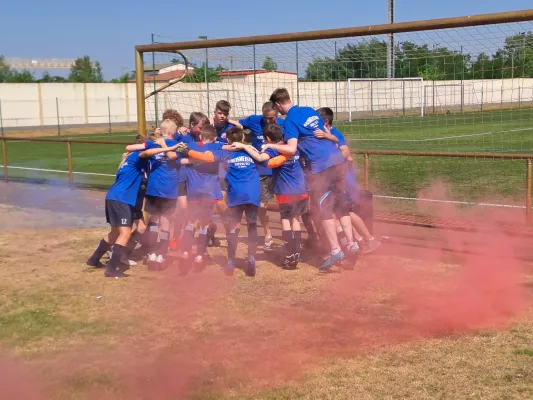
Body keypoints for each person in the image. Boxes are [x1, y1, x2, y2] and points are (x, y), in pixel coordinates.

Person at [266, 88, 359, 270]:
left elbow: (291, 149)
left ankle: (335, 250)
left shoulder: (290, 120)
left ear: (278, 105)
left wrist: (268, 144)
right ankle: (352, 244)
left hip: (321, 166)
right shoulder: (309, 110)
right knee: (340, 206)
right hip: (337, 161)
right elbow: (324, 132)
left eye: (277, 110)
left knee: (324, 209)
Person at [177, 127, 274, 277]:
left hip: (236, 195)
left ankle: (230, 261)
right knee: (251, 224)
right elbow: (266, 161)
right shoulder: (251, 151)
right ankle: (251, 258)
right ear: (242, 139)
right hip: (252, 194)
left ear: (228, 140)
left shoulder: (224, 153)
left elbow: (207, 157)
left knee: (234, 227)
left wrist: (187, 152)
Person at [87, 132, 177, 277]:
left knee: (117, 232)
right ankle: (112, 269)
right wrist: (165, 148)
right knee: (125, 233)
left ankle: (94, 259)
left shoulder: (128, 160)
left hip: (117, 197)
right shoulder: (137, 156)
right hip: (122, 199)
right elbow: (146, 152)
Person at [233, 123, 306, 269]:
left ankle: (289, 254)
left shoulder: (273, 150)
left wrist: (245, 147)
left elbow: (261, 159)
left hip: (286, 190)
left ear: (267, 138)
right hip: (301, 188)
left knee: (285, 219)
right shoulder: (290, 147)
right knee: (296, 219)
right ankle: (296, 250)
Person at [316, 107, 381, 255]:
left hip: (343, 180)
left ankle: (369, 240)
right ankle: (356, 241)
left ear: (325, 122)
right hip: (337, 179)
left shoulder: (333, 133)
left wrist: (329, 145)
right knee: (338, 212)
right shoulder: (324, 135)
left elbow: (346, 153)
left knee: (345, 212)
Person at [239, 101, 284, 250]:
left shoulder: (284, 125)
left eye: (271, 118)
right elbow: (238, 125)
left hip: (282, 170)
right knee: (262, 204)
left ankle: (294, 233)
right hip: (262, 171)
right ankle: (268, 233)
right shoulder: (254, 120)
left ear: (277, 115)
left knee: (287, 203)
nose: (268, 121)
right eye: (266, 118)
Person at [179, 124, 224, 265]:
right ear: (215, 138)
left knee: (191, 221)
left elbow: (178, 157)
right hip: (209, 192)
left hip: (193, 190)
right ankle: (199, 254)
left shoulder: (191, 145)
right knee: (204, 223)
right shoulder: (216, 147)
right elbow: (228, 148)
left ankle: (186, 250)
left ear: (200, 136)